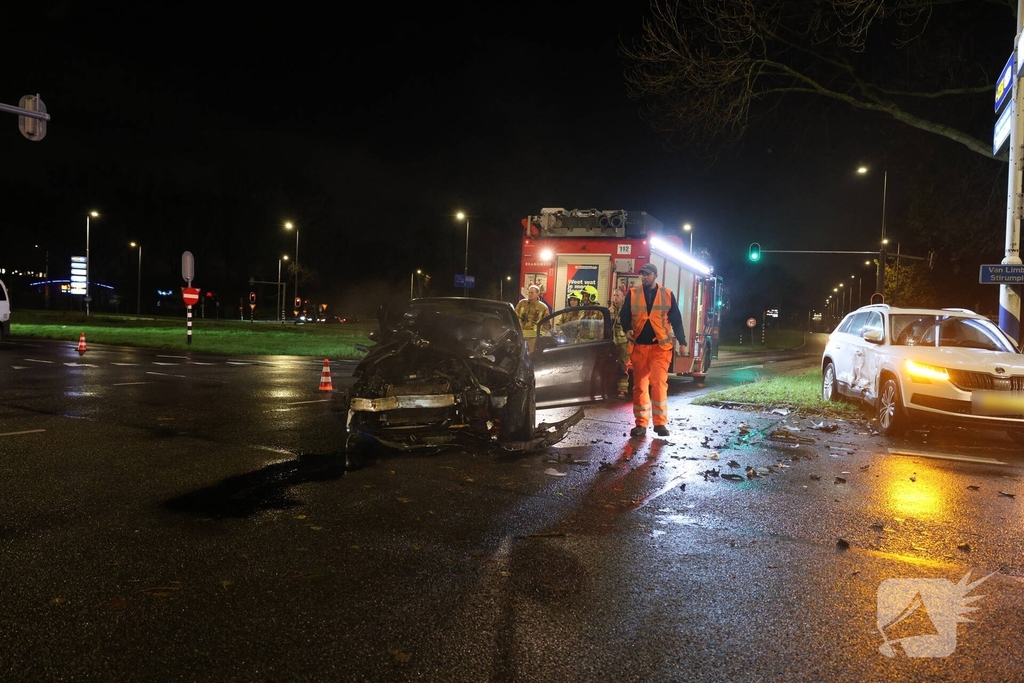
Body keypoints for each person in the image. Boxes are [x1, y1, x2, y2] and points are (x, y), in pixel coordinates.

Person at [619, 263, 687, 437]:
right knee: (640, 386)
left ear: (655, 275)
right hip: (639, 347)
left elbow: (676, 320)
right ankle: (641, 424)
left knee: (658, 383)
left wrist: (682, 342)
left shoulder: (667, 294)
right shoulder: (633, 294)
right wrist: (627, 329)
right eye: (642, 274)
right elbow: (624, 315)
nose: (644, 277)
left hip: (660, 348)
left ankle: (660, 424)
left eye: (648, 274)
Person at [609, 287, 630, 398]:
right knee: (611, 366)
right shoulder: (610, 310)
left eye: (618, 296)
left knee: (622, 366)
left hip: (623, 343)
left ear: (623, 297)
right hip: (612, 343)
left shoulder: (627, 310)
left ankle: (622, 390)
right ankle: (610, 388)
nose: (615, 298)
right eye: (614, 295)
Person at [515, 284, 549, 352]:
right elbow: (515, 316)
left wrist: (541, 334)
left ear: (537, 294)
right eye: (529, 292)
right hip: (520, 336)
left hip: (533, 338)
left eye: (532, 293)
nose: (529, 294)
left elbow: (546, 323)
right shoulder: (522, 303)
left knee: (531, 355)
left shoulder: (543, 307)